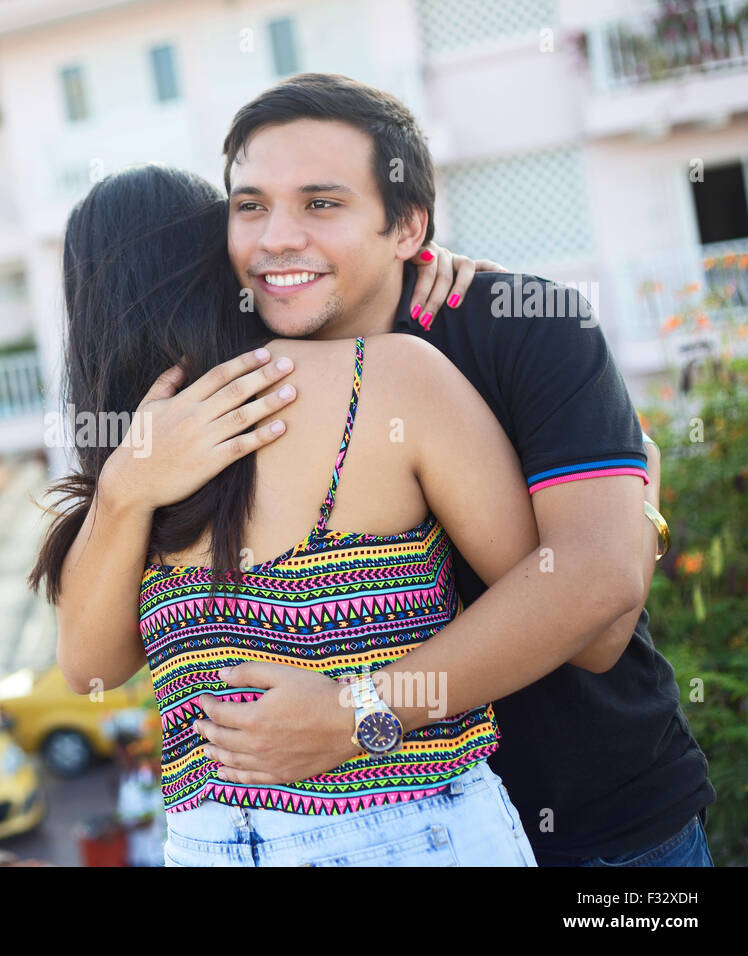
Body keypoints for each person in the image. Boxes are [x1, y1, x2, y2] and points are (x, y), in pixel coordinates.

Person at [42, 73, 715, 868]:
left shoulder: (517, 327)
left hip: (604, 820)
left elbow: (597, 598)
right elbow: (90, 667)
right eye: (250, 206)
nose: (275, 238)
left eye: (321, 204)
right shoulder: (197, 422)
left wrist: (354, 713)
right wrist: (124, 486)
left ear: (406, 229)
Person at [31, 162, 544, 865]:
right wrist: (126, 485)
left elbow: (554, 605)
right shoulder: (384, 375)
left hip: (248, 839)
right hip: (408, 830)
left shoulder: (379, 373)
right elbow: (89, 668)